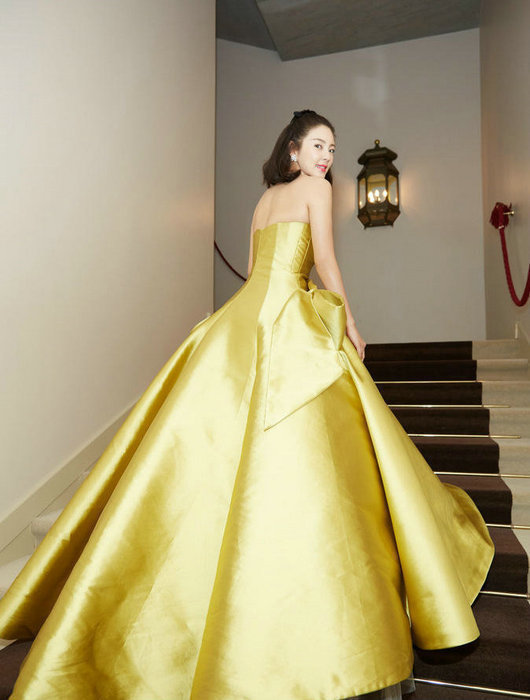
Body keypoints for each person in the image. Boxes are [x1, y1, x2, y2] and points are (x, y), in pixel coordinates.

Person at [0, 109, 494, 700]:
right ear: (293, 151)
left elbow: (257, 269)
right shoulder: (316, 190)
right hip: (285, 314)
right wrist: (350, 323)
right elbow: (325, 262)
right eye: (317, 146)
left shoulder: (263, 201)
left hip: (240, 320)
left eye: (332, 149)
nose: (326, 158)